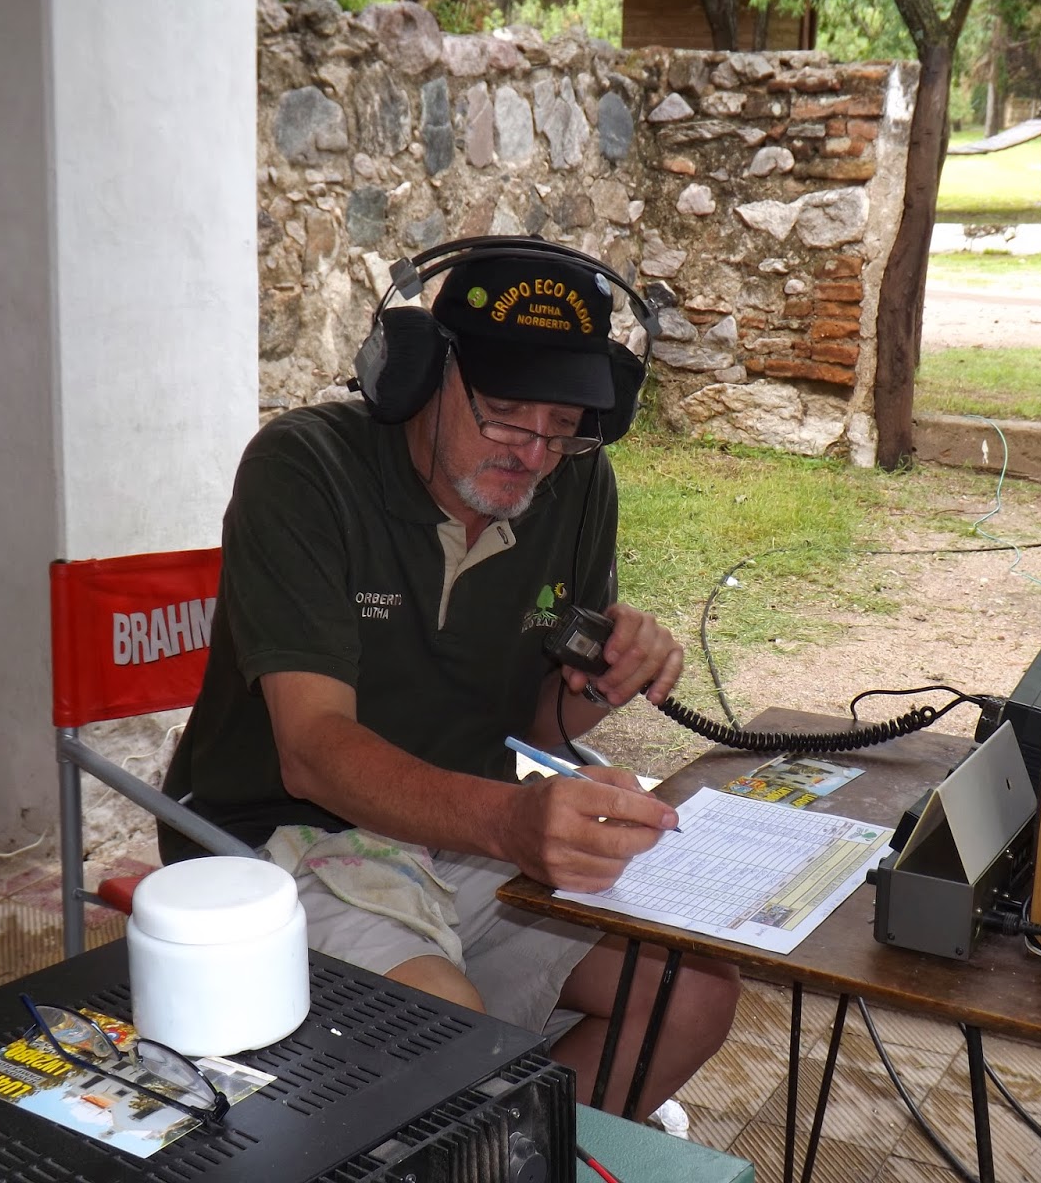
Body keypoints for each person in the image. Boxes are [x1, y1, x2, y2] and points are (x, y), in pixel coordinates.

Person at [161, 240, 739, 1118]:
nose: (533, 453)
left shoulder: (579, 483)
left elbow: (536, 729)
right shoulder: (304, 467)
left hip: (463, 836)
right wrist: (511, 823)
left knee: (689, 992)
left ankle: (525, 1152)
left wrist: (596, 684)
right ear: (420, 374)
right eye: (503, 414)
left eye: (563, 425)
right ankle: (472, 1138)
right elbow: (311, 751)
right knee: (449, 1039)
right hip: (286, 838)